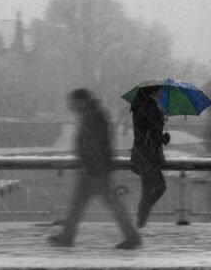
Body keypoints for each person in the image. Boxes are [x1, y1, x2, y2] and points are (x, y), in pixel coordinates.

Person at [48, 88, 141, 249]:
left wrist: (91, 165)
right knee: (91, 205)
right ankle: (131, 236)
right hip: (95, 169)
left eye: (73, 102)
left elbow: (94, 144)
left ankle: (68, 237)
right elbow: (99, 143)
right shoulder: (95, 114)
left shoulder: (93, 117)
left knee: (87, 205)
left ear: (81, 101)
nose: (71, 106)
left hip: (95, 171)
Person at [129, 86, 170, 227]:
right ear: (154, 92)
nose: (163, 93)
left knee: (147, 189)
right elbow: (154, 136)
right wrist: (165, 137)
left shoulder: (142, 107)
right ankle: (141, 217)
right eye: (161, 91)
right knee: (159, 187)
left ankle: (141, 220)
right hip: (149, 156)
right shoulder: (152, 108)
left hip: (141, 154)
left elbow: (145, 132)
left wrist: (161, 119)